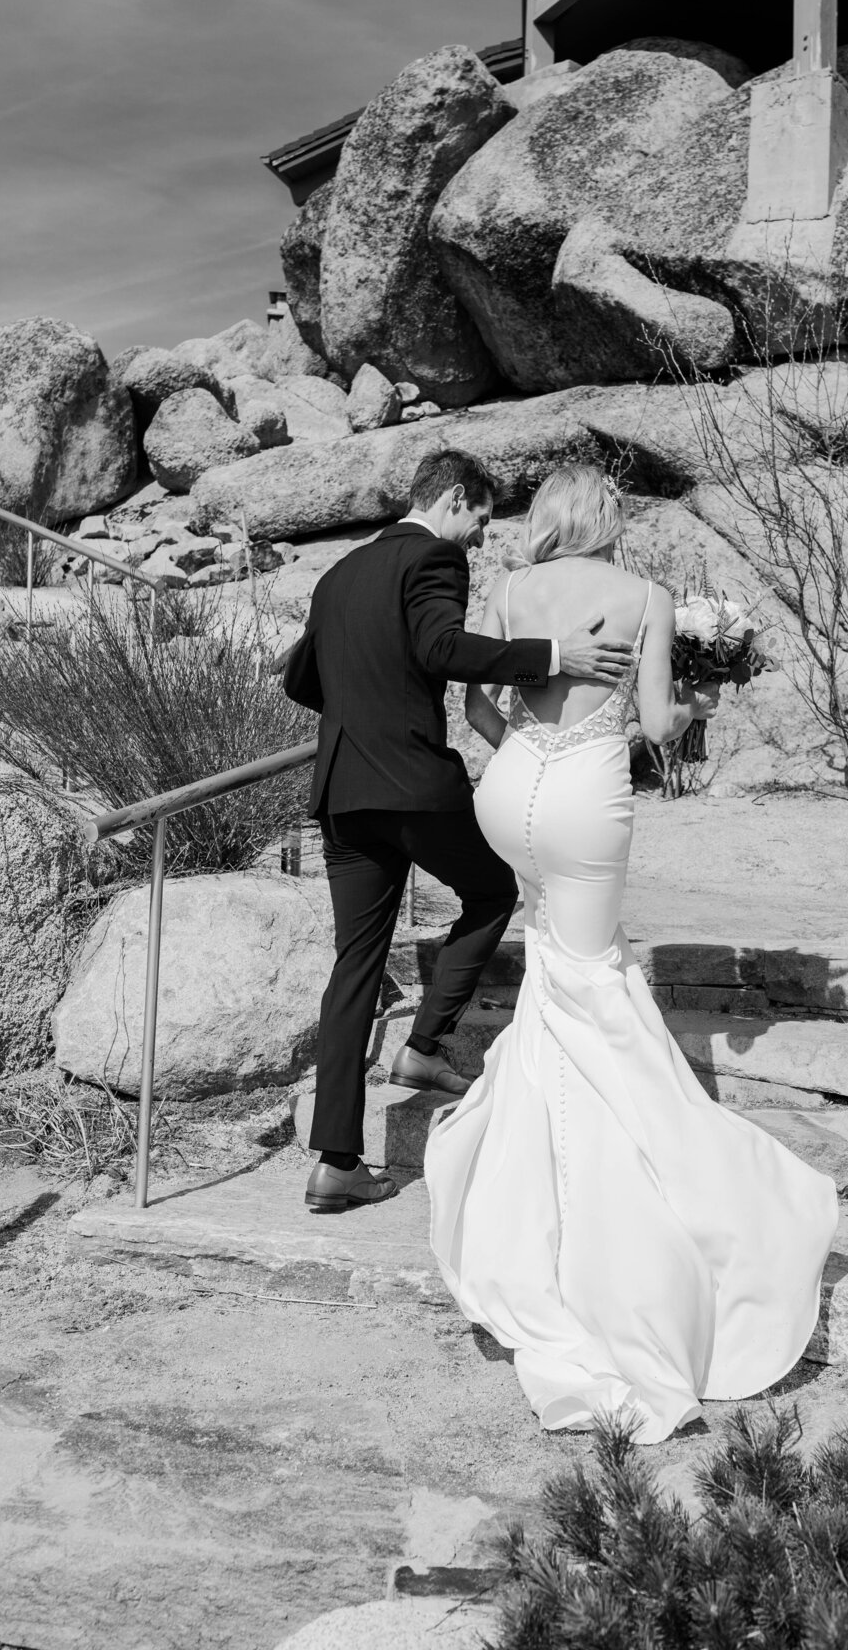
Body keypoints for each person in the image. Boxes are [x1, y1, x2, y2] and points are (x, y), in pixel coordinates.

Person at [423, 464, 839, 1444]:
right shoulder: (646, 597)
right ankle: (650, 1214)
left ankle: (525, 1197)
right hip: (583, 800)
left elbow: (479, 709)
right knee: (595, 980)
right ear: (608, 520)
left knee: (560, 981)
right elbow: (654, 726)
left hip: (510, 788)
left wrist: (525, 740)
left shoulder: (518, 591)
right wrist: (696, 709)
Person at [282, 449, 635, 1215]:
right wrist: (554, 655)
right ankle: (424, 1046)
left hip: (344, 790)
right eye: (478, 519)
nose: (477, 539)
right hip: (410, 783)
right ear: (450, 499)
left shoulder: (339, 574)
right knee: (490, 891)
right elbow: (440, 651)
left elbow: (298, 679)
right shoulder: (434, 558)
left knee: (354, 968)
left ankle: (336, 1163)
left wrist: (362, 701)